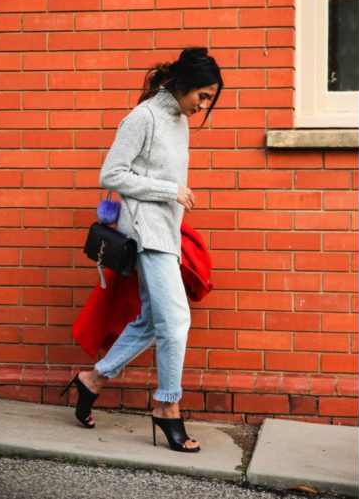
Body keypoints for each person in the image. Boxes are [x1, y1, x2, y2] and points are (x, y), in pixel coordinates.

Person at [63, 47, 223, 453]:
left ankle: (93, 380)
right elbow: (111, 173)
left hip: (166, 230)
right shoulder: (144, 116)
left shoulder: (179, 121)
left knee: (153, 320)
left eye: (209, 99)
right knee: (176, 321)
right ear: (183, 84)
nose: (203, 106)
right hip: (145, 230)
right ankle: (167, 407)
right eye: (201, 96)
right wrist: (171, 191)